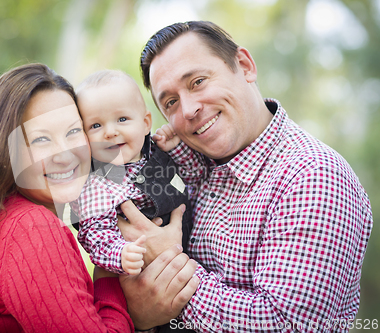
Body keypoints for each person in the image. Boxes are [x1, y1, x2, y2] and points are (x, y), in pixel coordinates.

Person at [115, 21, 373, 332]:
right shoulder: (186, 165)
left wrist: (168, 275)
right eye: (170, 102)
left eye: (197, 82)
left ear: (245, 66)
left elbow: (288, 325)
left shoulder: (313, 176)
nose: (189, 109)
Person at [0, 63, 198, 332]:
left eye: (73, 131)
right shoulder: (31, 228)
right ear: (3, 151)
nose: (65, 154)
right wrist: (119, 292)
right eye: (41, 139)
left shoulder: (6, 221)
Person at [72, 69, 193, 276]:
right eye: (95, 125)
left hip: (193, 255)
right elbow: (95, 234)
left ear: (146, 123)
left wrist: (176, 148)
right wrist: (120, 254)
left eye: (122, 119)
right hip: (143, 272)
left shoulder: (157, 152)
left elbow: (193, 176)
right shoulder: (97, 185)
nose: (110, 132)